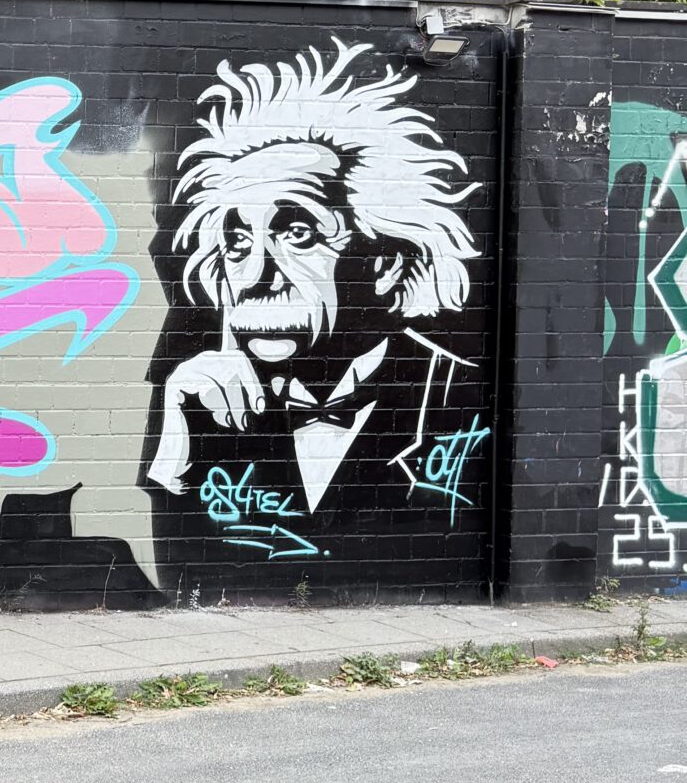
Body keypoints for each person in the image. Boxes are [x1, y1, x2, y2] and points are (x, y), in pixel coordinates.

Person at [146, 42, 484, 581]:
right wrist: (174, 453)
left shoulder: (460, 396)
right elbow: (170, 585)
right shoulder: (204, 397)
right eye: (237, 243)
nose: (256, 277)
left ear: (387, 262)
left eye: (298, 233)